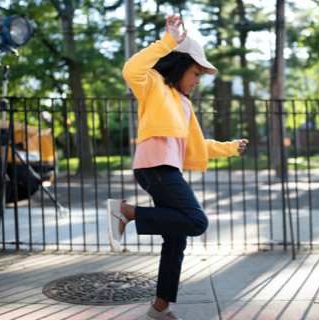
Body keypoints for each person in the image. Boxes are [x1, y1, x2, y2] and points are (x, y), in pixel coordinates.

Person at [107, 14, 249, 320]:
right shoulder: (153, 85)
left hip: (166, 168)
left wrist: (228, 148)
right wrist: (168, 41)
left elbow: (195, 143)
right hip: (153, 166)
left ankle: (161, 307)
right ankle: (126, 211)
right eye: (196, 73)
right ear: (180, 65)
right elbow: (130, 68)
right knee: (196, 221)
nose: (199, 81)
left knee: (176, 238)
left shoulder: (183, 102)